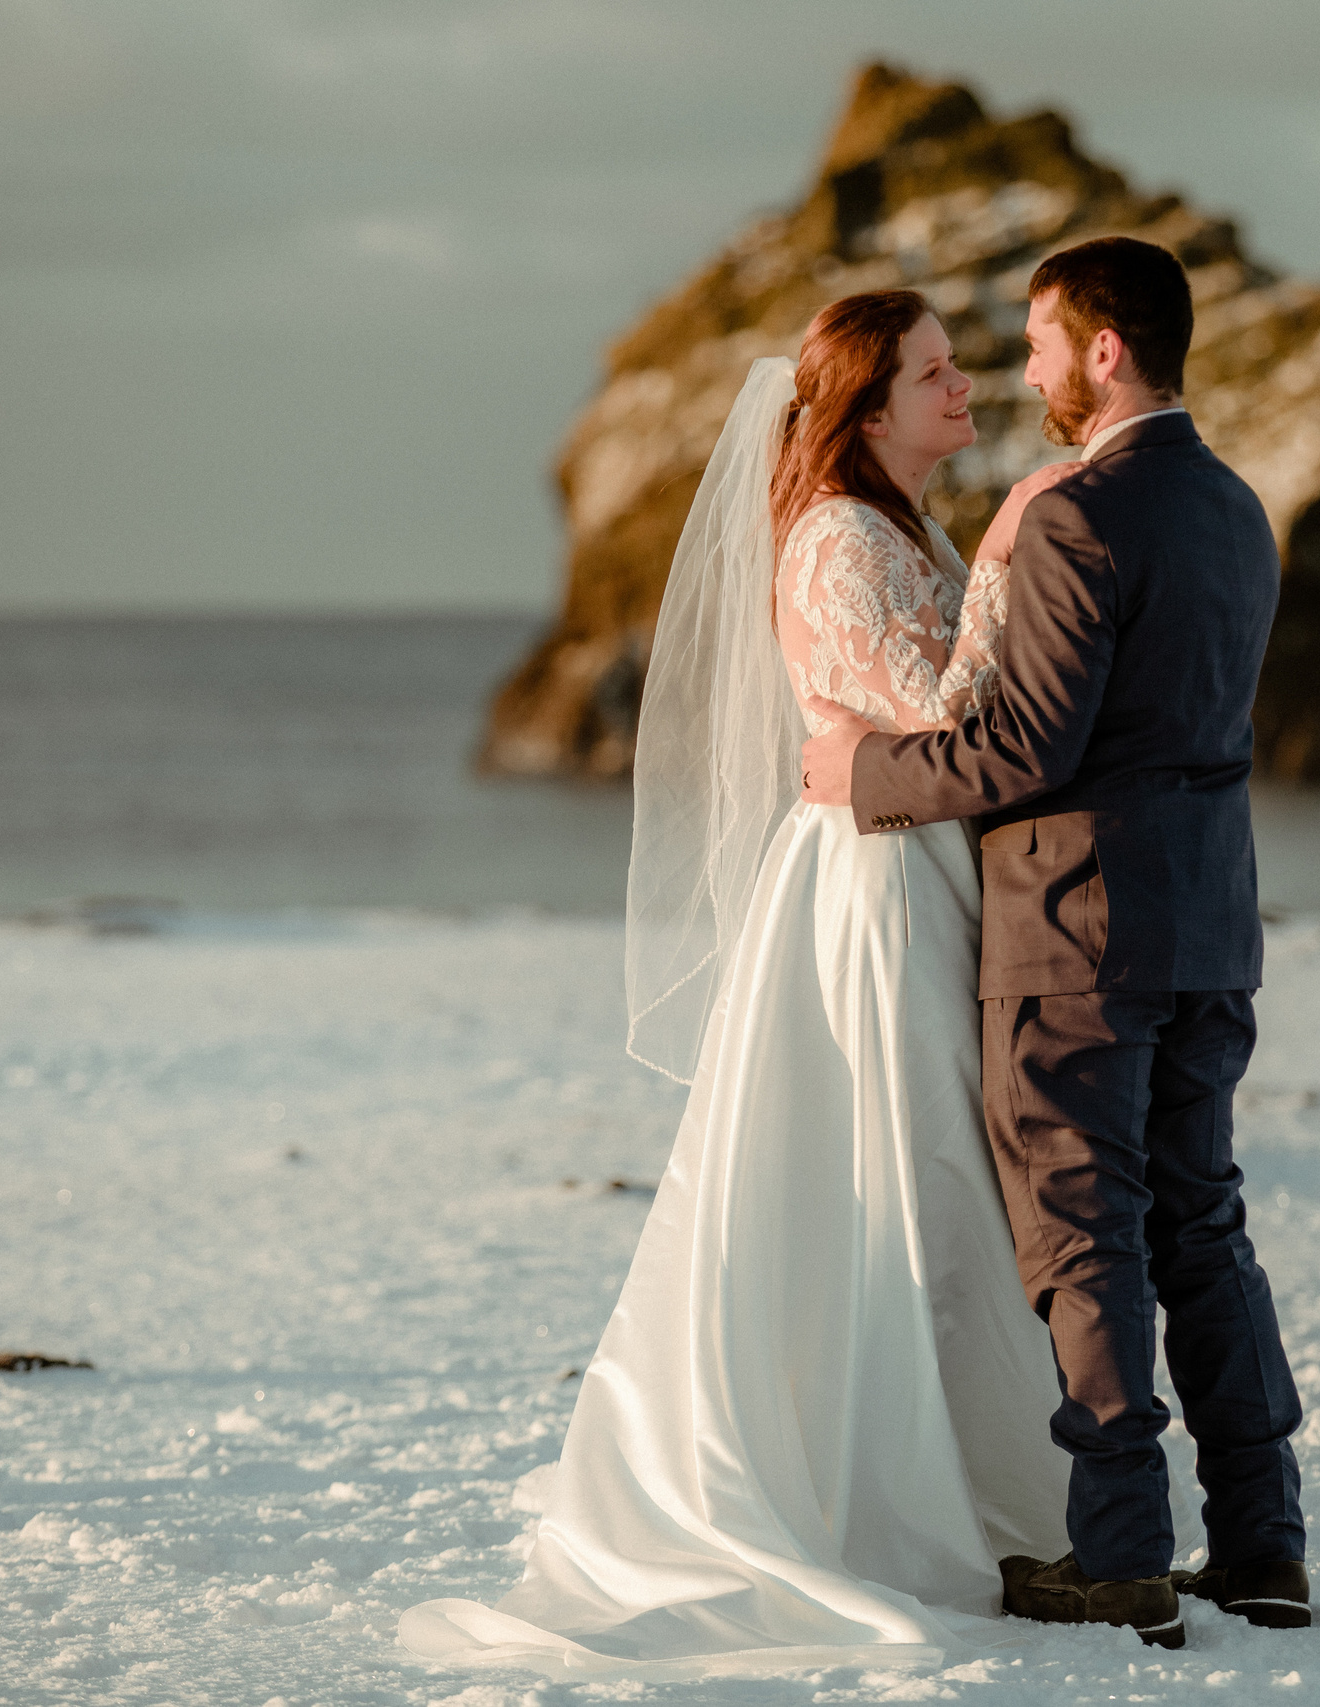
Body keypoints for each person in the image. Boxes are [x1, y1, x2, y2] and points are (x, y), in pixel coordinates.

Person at [399, 288, 1196, 1680]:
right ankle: (888, 1494)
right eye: (937, 374)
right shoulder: (837, 540)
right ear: (869, 407)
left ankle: (998, 1485)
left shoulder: (912, 525)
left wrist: (993, 549)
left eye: (959, 366)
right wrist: (1015, 546)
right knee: (907, 1169)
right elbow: (951, 708)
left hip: (922, 865)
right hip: (870, 889)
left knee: (946, 1171)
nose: (966, 390)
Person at [799, 237, 1311, 1640]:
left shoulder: (1083, 513)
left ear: (1101, 349)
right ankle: (1265, 1543)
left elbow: (1026, 744)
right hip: (1210, 925)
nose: (1021, 372)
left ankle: (1124, 1555)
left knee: (1085, 1242)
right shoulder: (1237, 509)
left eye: (1034, 344)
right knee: (1204, 1229)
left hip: (1081, 932)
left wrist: (865, 780)